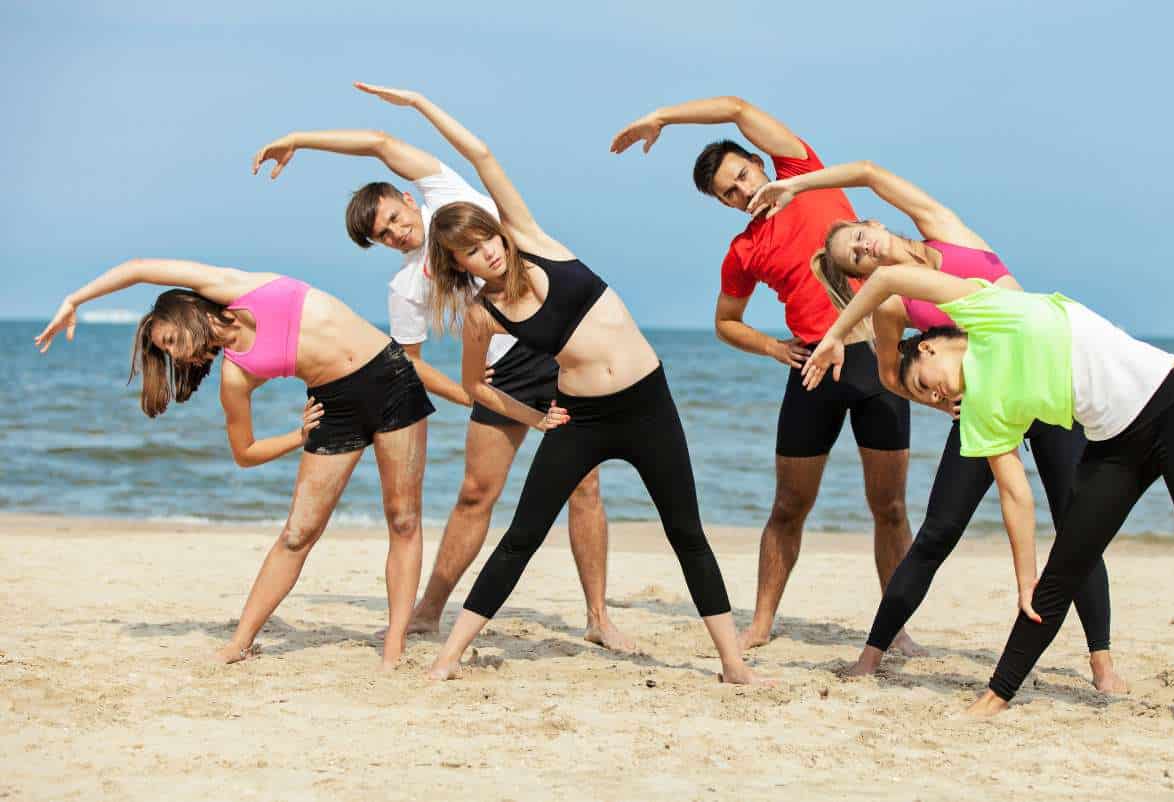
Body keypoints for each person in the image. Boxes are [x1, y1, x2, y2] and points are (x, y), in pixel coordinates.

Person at [354, 82, 763, 683]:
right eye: (470, 252)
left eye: (486, 238)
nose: (487, 253)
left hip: (650, 404)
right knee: (521, 534)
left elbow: (483, 155)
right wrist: (533, 417)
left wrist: (419, 105)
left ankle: (733, 665)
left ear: (499, 232)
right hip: (581, 418)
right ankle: (447, 657)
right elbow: (478, 386)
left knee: (686, 533)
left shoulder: (533, 241)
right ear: (459, 266)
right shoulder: (480, 313)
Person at [803, 266, 1174, 734]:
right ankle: (997, 694)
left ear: (929, 346)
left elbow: (888, 278)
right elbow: (1015, 493)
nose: (933, 394)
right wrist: (1024, 579)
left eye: (922, 382)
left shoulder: (987, 311)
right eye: (925, 396)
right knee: (1058, 576)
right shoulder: (978, 413)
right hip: (1116, 445)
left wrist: (835, 335)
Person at [746, 161, 1126, 692]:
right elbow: (887, 374)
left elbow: (869, 173)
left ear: (875, 225)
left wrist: (797, 183)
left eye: (860, 238)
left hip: (1043, 392)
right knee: (938, 532)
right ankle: (872, 656)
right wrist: (937, 403)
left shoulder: (946, 231)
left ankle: (1102, 664)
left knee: (1075, 523)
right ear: (861, 280)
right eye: (854, 259)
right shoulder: (896, 304)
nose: (865, 251)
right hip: (986, 406)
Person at [250, 122, 630, 650]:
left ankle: (598, 617)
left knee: (585, 486)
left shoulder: (447, 193)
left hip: (558, 345)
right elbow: (411, 362)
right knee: (476, 495)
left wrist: (299, 139)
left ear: (407, 199)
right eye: (383, 235)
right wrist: (467, 392)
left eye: (394, 219)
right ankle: (428, 610)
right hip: (504, 373)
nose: (397, 232)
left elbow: (381, 144)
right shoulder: (405, 287)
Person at [34, 259, 466, 669]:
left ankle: (394, 648)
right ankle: (239, 644)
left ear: (183, 311)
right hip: (333, 408)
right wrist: (297, 438)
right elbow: (244, 453)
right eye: (167, 354)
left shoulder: (235, 288)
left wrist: (75, 299)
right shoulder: (235, 374)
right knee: (297, 534)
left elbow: (138, 269)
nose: (176, 356)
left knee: (403, 518)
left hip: (390, 377)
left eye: (168, 341)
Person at [610, 97, 918, 653]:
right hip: (811, 369)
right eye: (728, 192)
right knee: (787, 507)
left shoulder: (803, 174)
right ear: (722, 204)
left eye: (742, 174)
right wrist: (775, 348)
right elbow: (726, 323)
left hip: (876, 355)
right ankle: (761, 623)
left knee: (890, 506)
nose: (742, 190)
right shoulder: (744, 250)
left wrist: (662, 118)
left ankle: (895, 631)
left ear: (758, 160)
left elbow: (733, 107)